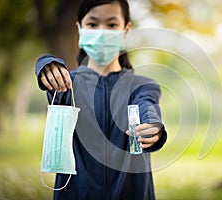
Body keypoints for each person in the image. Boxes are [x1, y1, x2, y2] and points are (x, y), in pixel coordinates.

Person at [35, 0, 167, 199]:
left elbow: (147, 106)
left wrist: (153, 127)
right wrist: (45, 64)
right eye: (92, 24)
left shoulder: (141, 86)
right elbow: (50, 74)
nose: (102, 32)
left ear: (126, 30)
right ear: (79, 28)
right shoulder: (67, 84)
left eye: (112, 25)